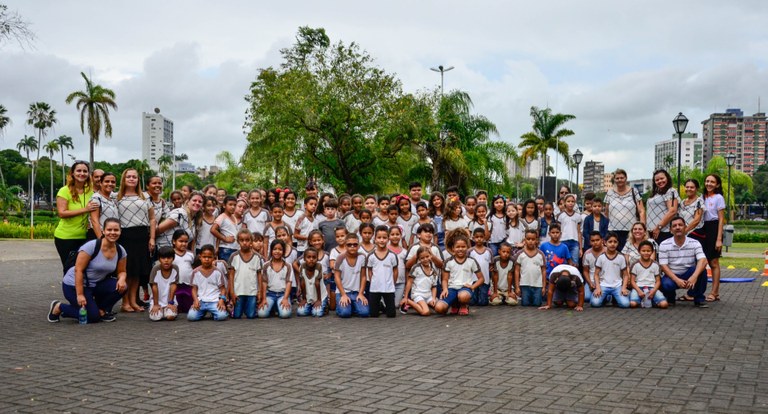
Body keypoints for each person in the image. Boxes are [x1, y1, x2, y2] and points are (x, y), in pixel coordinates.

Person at [47, 218, 127, 324]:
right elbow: (78, 270)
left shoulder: (121, 250)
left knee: (123, 286)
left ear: (120, 232)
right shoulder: (91, 246)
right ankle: (59, 307)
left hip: (95, 285)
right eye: (109, 230)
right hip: (74, 286)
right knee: (92, 318)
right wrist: (80, 294)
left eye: (116, 230)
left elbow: (122, 271)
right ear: (103, 231)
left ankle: (101, 310)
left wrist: (122, 279)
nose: (112, 233)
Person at [116, 169, 156, 312]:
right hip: (125, 236)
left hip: (142, 235)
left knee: (138, 271)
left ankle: (133, 301)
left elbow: (152, 218)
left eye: (134, 177)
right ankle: (125, 302)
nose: (132, 179)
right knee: (126, 271)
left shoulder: (145, 196)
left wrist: (152, 238)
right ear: (124, 179)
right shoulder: (117, 197)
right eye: (129, 176)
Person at [54, 161, 98, 267]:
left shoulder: (90, 192)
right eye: (78, 171)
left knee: (82, 268)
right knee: (70, 268)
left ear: (88, 174)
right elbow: (62, 213)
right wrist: (85, 209)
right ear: (72, 173)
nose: (82, 173)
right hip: (66, 237)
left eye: (85, 171)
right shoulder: (64, 191)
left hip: (84, 237)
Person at [658, 216, 709, 307]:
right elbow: (663, 266)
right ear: (670, 230)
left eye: (680, 225)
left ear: (685, 227)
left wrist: (694, 276)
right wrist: (677, 280)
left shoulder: (695, 243)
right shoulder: (664, 244)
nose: (677, 227)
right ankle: (670, 298)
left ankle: (699, 298)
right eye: (674, 226)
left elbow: (703, 260)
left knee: (702, 270)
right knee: (666, 284)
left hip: (689, 273)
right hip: (672, 275)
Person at [435, 229, 484, 316]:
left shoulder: (471, 261)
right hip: (451, 288)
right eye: (458, 247)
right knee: (439, 308)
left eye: (463, 247)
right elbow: (445, 279)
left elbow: (481, 279)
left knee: (463, 296)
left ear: (467, 247)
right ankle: (454, 305)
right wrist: (445, 289)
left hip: (465, 289)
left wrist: (472, 287)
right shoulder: (448, 261)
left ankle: (463, 305)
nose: (460, 249)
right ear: (453, 248)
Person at [605, 169, 646, 251]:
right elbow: (606, 212)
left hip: (631, 232)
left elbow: (641, 211)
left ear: (626, 178)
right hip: (613, 231)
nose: (619, 180)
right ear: (614, 180)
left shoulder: (634, 191)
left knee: (630, 256)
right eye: (617, 178)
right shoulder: (609, 193)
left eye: (622, 178)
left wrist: (642, 228)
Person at [701, 174, 726, 302]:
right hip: (702, 228)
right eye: (707, 181)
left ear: (717, 184)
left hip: (714, 227)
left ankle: (715, 292)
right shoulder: (701, 197)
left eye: (712, 182)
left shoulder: (718, 198)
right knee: (701, 261)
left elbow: (721, 219)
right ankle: (697, 292)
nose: (709, 184)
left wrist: (719, 238)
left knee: (713, 262)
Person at [364, 226, 399, 318]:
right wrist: (373, 281)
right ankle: (379, 305)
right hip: (375, 288)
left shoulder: (392, 255)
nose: (382, 240)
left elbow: (395, 270)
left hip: (389, 288)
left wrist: (393, 283)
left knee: (391, 314)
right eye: (379, 238)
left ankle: (385, 307)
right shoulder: (371, 256)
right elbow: (370, 270)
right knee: (373, 314)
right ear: (375, 239)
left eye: (384, 238)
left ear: (388, 239)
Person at [187, 244, 229, 321]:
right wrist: (196, 300)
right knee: (191, 317)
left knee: (222, 316)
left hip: (215, 301)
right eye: (204, 257)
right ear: (200, 257)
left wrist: (221, 300)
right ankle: (202, 313)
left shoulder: (217, 272)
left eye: (209, 257)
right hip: (201, 301)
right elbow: (194, 289)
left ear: (214, 258)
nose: (207, 259)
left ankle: (214, 313)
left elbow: (223, 289)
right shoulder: (195, 272)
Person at [228, 229, 263, 319]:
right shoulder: (234, 256)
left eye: (247, 240)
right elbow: (231, 275)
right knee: (237, 316)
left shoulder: (257, 257)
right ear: (238, 241)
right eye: (242, 240)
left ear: (251, 241)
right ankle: (231, 308)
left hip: (252, 291)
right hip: (238, 292)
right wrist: (232, 292)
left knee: (251, 315)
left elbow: (259, 275)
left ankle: (251, 307)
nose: (244, 243)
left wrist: (259, 291)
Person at [590, 232, 631, 308]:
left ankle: (615, 297)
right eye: (610, 242)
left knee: (625, 304)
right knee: (595, 303)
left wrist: (624, 287)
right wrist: (598, 288)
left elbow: (625, 275)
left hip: (617, 286)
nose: (612, 244)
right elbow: (596, 274)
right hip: (603, 285)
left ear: (618, 243)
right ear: (605, 243)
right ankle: (607, 298)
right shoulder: (601, 257)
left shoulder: (621, 257)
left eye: (615, 242)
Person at [334, 233, 370, 318]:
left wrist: (361, 293)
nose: (352, 247)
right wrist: (343, 295)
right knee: (345, 313)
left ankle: (352, 306)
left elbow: (364, 276)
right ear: (345, 246)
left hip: (357, 292)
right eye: (349, 245)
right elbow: (337, 277)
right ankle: (343, 306)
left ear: (358, 246)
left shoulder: (362, 257)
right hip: (343, 292)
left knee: (364, 313)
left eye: (355, 244)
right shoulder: (340, 258)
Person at [628, 241, 669, 309]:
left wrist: (653, 291)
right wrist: (639, 291)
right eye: (643, 251)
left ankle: (652, 301)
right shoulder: (635, 264)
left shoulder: (655, 264)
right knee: (633, 304)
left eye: (648, 251)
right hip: (638, 287)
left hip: (652, 287)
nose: (646, 253)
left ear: (652, 252)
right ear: (639, 251)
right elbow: (632, 281)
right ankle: (640, 300)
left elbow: (658, 281)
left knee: (664, 304)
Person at [401, 246, 438, 316]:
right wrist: (405, 297)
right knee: (426, 312)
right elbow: (409, 282)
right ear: (419, 259)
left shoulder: (433, 271)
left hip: (428, 295)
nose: (425, 259)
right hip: (418, 294)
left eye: (427, 256)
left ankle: (426, 304)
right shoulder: (416, 268)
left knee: (439, 308)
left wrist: (433, 298)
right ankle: (409, 302)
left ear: (431, 256)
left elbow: (434, 286)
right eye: (422, 258)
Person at [514, 229, 547, 307]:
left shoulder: (540, 254)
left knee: (537, 304)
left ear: (536, 240)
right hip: (524, 284)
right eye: (528, 239)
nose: (530, 241)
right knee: (525, 304)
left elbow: (544, 271)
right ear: (525, 240)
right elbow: (516, 271)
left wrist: (544, 286)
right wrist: (517, 287)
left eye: (533, 239)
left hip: (537, 285)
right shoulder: (520, 253)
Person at [646, 169, 679, 244]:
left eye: (662, 178)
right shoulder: (655, 193)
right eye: (657, 180)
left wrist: (659, 227)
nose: (660, 181)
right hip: (651, 231)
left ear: (667, 178)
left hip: (663, 231)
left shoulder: (671, 191)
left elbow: (673, 211)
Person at [148, 246, 179, 321]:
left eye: (169, 258)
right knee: (156, 317)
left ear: (173, 258)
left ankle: (169, 308)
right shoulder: (155, 269)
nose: (166, 260)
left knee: (170, 317)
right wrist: (156, 304)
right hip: (157, 299)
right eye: (163, 258)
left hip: (169, 299)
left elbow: (173, 285)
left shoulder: (175, 268)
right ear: (159, 259)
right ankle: (158, 308)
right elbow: (154, 286)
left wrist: (170, 302)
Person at [87, 171, 118, 240]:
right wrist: (101, 239)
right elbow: (94, 221)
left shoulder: (113, 198)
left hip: (111, 235)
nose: (110, 184)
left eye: (113, 182)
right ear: (101, 183)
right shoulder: (96, 198)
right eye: (107, 181)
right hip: (99, 235)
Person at [171, 230, 195, 313]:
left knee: (189, 308)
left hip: (188, 285)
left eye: (186, 241)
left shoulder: (190, 255)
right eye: (180, 241)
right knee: (176, 307)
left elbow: (193, 268)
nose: (184, 244)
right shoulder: (170, 254)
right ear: (174, 241)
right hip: (175, 285)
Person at [211, 196, 241, 262]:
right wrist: (225, 238)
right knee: (226, 269)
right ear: (224, 205)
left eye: (234, 205)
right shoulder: (222, 217)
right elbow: (213, 230)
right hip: (226, 249)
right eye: (230, 204)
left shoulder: (233, 217)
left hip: (235, 248)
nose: (233, 207)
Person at [296, 247, 325, 317]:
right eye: (308, 257)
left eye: (314, 257)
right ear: (304, 259)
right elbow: (302, 283)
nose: (311, 259)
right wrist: (304, 299)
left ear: (317, 258)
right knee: (300, 312)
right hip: (308, 296)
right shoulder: (302, 266)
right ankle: (310, 306)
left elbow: (317, 283)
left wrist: (318, 300)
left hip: (319, 295)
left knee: (317, 313)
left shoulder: (319, 266)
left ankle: (322, 305)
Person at [469, 227, 493, 306]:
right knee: (472, 302)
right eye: (477, 237)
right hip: (473, 280)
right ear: (473, 238)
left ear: (484, 238)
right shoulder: (470, 251)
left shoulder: (488, 251)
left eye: (481, 237)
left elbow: (491, 265)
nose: (479, 239)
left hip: (485, 280)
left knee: (483, 303)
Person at [557, 194, 583, 264]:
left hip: (574, 242)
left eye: (572, 201)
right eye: (568, 201)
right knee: (563, 263)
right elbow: (558, 231)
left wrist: (580, 248)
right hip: (563, 241)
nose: (570, 203)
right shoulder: (561, 216)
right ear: (565, 202)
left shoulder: (577, 216)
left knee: (574, 263)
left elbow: (579, 232)